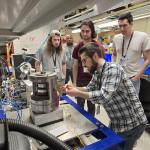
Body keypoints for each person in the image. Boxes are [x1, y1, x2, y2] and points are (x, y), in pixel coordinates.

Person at [62, 43, 147, 150]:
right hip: (117, 121)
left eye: (84, 60)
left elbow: (103, 96)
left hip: (132, 124)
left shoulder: (113, 69)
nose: (83, 65)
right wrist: (73, 88)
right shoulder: (97, 72)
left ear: (95, 57)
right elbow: (89, 88)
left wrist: (77, 93)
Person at [72, 20, 105, 116]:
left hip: (93, 80)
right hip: (80, 80)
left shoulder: (98, 46)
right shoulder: (78, 47)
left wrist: (100, 83)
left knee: (91, 106)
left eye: (87, 31)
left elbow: (101, 66)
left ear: (92, 31)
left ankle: (91, 126)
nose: (85, 33)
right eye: (82, 31)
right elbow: (75, 65)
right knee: (80, 106)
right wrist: (74, 83)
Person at [112, 12, 150, 94]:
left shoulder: (142, 37)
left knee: (132, 105)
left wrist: (137, 77)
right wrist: (114, 67)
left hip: (133, 77)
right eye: (120, 26)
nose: (122, 29)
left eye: (125, 25)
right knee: (119, 103)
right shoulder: (116, 38)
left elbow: (148, 59)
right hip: (118, 77)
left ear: (131, 24)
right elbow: (114, 54)